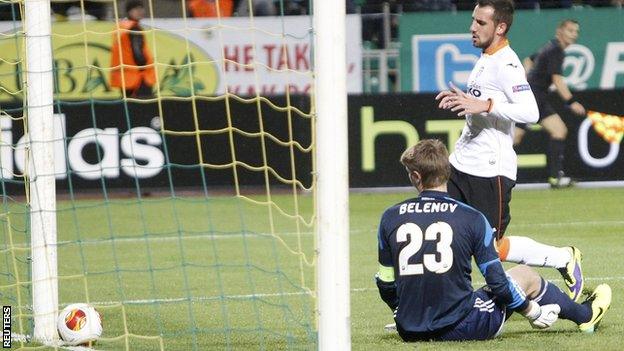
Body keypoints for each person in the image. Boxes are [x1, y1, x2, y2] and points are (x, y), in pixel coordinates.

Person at [375, 139, 611, 341]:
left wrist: (403, 313)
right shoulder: (472, 217)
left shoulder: (390, 217)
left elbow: (386, 283)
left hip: (409, 328)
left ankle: (580, 312)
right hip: (461, 326)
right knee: (525, 274)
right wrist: (532, 312)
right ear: (448, 171)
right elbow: (497, 281)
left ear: (416, 177)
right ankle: (585, 316)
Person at [434, 0, 584, 302]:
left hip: (491, 172)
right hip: (461, 164)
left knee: (492, 247)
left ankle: (563, 258)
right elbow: (483, 102)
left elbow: (529, 111)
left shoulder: (507, 63)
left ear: (500, 27)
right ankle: (439, 307)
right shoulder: (485, 58)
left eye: (481, 23)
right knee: (442, 234)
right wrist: (468, 100)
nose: (472, 27)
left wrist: (486, 105)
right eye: (473, 20)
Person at [514, 19, 586, 188]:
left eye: (576, 32)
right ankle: (486, 173)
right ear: (559, 31)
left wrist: (524, 80)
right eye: (570, 31)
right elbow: (558, 80)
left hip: (536, 97)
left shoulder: (549, 46)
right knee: (513, 139)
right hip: (531, 99)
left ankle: (555, 178)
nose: (574, 35)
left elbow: (528, 61)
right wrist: (571, 101)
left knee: (559, 130)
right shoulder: (556, 50)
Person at [110, 0, 156, 98]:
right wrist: (143, 65)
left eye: (141, 8)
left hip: (125, 76)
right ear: (129, 11)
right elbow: (137, 52)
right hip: (138, 77)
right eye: (136, 9)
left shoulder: (120, 27)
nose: (140, 11)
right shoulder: (134, 28)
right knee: (144, 108)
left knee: (129, 107)